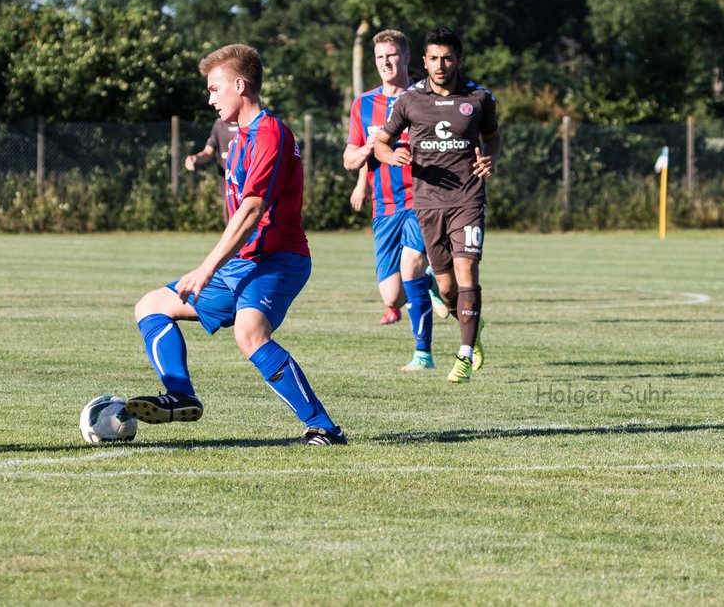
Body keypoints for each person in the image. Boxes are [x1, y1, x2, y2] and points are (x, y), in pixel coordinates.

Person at [126, 43, 347, 445]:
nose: (210, 99)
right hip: (242, 263)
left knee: (249, 332)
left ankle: (324, 428)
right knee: (150, 306)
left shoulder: (270, 134)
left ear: (240, 85)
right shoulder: (240, 138)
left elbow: (252, 209)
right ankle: (179, 396)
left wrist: (206, 267)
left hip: (278, 259)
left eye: (215, 88)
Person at [374, 27, 500, 384]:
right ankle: (471, 321)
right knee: (446, 289)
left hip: (468, 199)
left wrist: (490, 160)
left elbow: (492, 137)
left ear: (458, 60)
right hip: (427, 205)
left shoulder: (479, 98)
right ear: (425, 61)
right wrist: (392, 154)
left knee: (466, 272)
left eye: (447, 58)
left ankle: (463, 354)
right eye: (434, 58)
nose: (440, 64)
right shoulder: (410, 101)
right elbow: (381, 143)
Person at [344, 29, 437, 371]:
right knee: (392, 296)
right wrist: (372, 147)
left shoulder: (425, 98)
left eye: (392, 55)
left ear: (407, 57)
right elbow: (349, 159)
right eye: (380, 57)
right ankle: (433, 280)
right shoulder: (363, 104)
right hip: (384, 208)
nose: (386, 62)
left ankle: (422, 354)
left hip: (421, 199)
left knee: (412, 262)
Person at [185, 117, 240, 212]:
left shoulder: (251, 123)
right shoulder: (219, 124)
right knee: (230, 223)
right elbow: (207, 153)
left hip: (247, 187)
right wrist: (195, 158)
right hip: (227, 189)